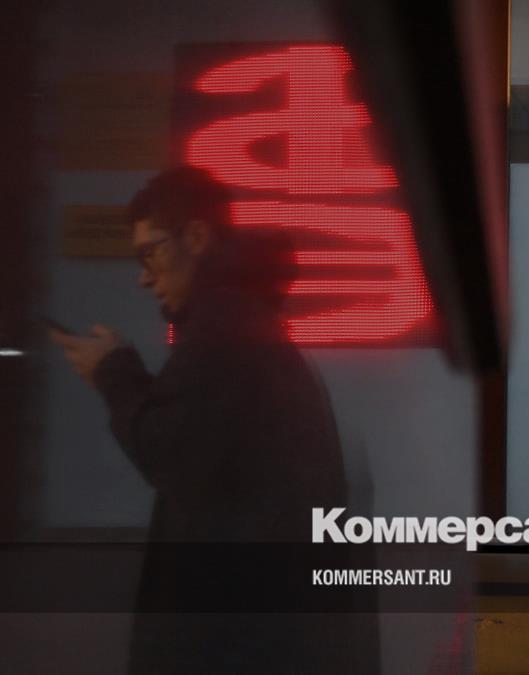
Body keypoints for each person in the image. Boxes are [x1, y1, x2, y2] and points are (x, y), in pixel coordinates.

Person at [50, 166, 377, 674]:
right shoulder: (250, 328)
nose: (143, 277)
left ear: (197, 236)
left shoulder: (225, 334)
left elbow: (169, 453)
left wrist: (115, 372)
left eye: (151, 253)